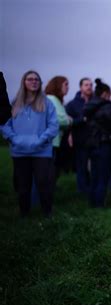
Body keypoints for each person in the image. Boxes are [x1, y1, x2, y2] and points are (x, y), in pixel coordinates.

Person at [2, 71, 58, 217]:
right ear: (24, 82)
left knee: (43, 183)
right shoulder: (15, 103)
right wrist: (14, 138)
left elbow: (53, 126)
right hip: (19, 151)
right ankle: (24, 214)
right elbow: (4, 124)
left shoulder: (47, 103)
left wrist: (40, 140)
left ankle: (47, 213)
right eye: (30, 79)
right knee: (22, 185)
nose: (34, 81)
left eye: (36, 79)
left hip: (41, 151)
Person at [83, 79, 111, 208]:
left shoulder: (88, 105)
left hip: (91, 145)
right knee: (103, 176)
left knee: (94, 175)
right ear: (105, 93)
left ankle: (92, 202)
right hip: (104, 143)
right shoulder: (107, 106)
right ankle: (100, 204)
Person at [66, 78, 93, 194]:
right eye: (86, 85)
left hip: (95, 141)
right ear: (81, 87)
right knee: (81, 167)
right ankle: (82, 192)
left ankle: (92, 189)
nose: (89, 87)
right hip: (80, 141)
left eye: (91, 85)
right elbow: (68, 122)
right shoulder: (72, 104)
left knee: (94, 168)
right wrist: (83, 119)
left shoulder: (95, 101)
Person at [45, 76, 72, 180]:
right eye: (66, 84)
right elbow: (60, 120)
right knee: (47, 175)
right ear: (58, 85)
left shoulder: (56, 100)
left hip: (54, 142)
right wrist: (69, 120)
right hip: (51, 143)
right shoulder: (51, 99)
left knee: (50, 175)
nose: (68, 87)